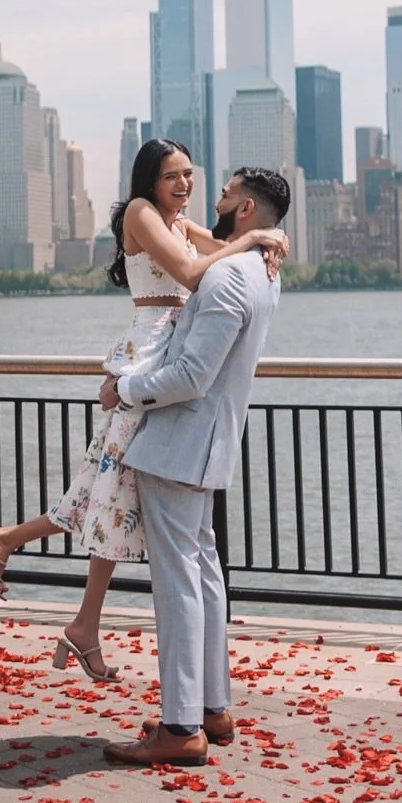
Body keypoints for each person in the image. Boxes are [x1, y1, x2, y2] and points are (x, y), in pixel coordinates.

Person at [0, 140, 285, 683]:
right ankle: (25, 562)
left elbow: (218, 253)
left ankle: (44, 580)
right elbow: (190, 272)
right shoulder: (142, 213)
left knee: (107, 492)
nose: (184, 185)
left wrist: (262, 242)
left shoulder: (176, 220)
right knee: (109, 492)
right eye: (172, 176)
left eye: (189, 175)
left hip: (166, 354)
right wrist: (254, 235)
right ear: (149, 180)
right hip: (149, 357)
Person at [101, 166, 290, 767]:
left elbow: (190, 377)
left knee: (178, 584)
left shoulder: (229, 278)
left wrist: (125, 389)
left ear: (245, 210)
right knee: (205, 574)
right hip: (211, 446)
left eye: (228, 193)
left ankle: (181, 725)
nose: (216, 197)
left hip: (180, 445)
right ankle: (213, 706)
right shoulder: (260, 272)